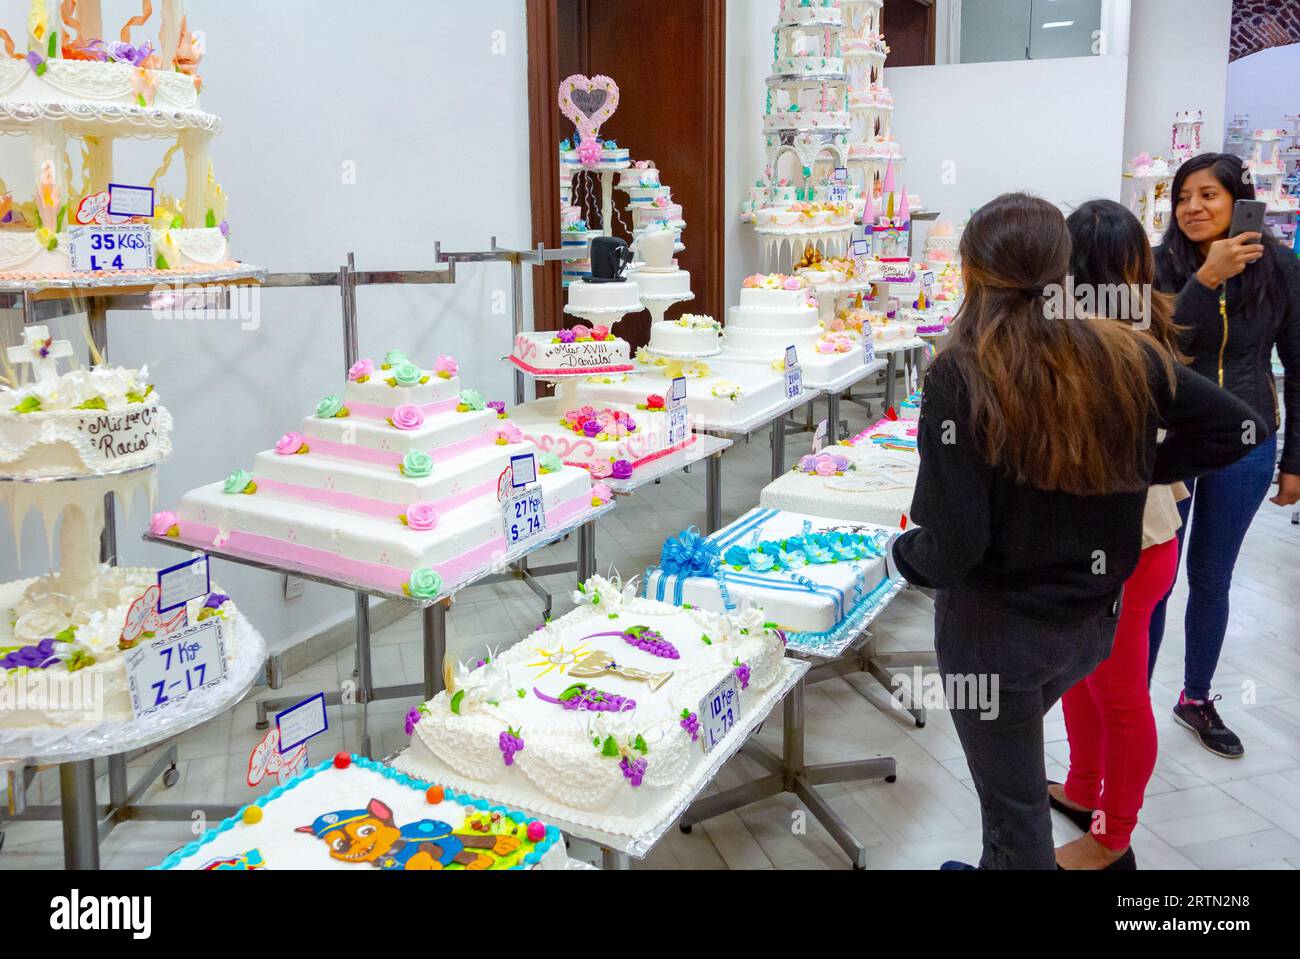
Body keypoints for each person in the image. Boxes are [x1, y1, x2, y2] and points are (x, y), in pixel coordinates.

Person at [891, 193, 1265, 870]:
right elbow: (1245, 426)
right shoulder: (1120, 353)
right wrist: (1136, 465)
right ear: (1063, 270)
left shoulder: (963, 369)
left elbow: (954, 546)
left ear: (972, 273)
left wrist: (901, 557)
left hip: (996, 639)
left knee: (1016, 814)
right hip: (1089, 628)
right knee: (1014, 774)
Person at [1050, 199, 1189, 871]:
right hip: (1112, 541)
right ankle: (1082, 788)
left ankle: (1112, 835)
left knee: (1120, 691)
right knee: (1084, 674)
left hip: (1134, 545)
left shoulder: (1119, 344)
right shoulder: (1117, 330)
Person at [1148, 152, 1300, 759]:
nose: (1192, 208)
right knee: (1155, 577)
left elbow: (1298, 365)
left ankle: (1197, 697)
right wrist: (1203, 279)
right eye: (1183, 197)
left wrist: (1295, 460)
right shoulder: (1159, 268)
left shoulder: (1282, 266)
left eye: (1208, 195)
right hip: (1171, 445)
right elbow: (1156, 347)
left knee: (1211, 577)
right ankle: (1132, 695)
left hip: (1247, 443)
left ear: (1240, 200)